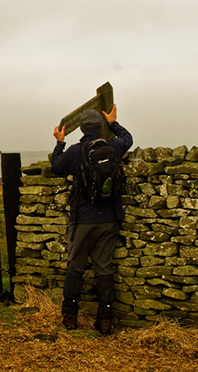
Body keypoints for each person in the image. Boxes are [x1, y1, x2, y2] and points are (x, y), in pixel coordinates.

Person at [51, 104, 133, 335]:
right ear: (100, 127)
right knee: (104, 269)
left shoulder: (77, 151)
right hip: (109, 218)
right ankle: (104, 320)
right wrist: (113, 122)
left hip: (84, 218)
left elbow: (57, 167)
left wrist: (59, 142)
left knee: (76, 266)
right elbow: (128, 138)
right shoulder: (114, 147)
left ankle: (70, 317)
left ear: (82, 130)